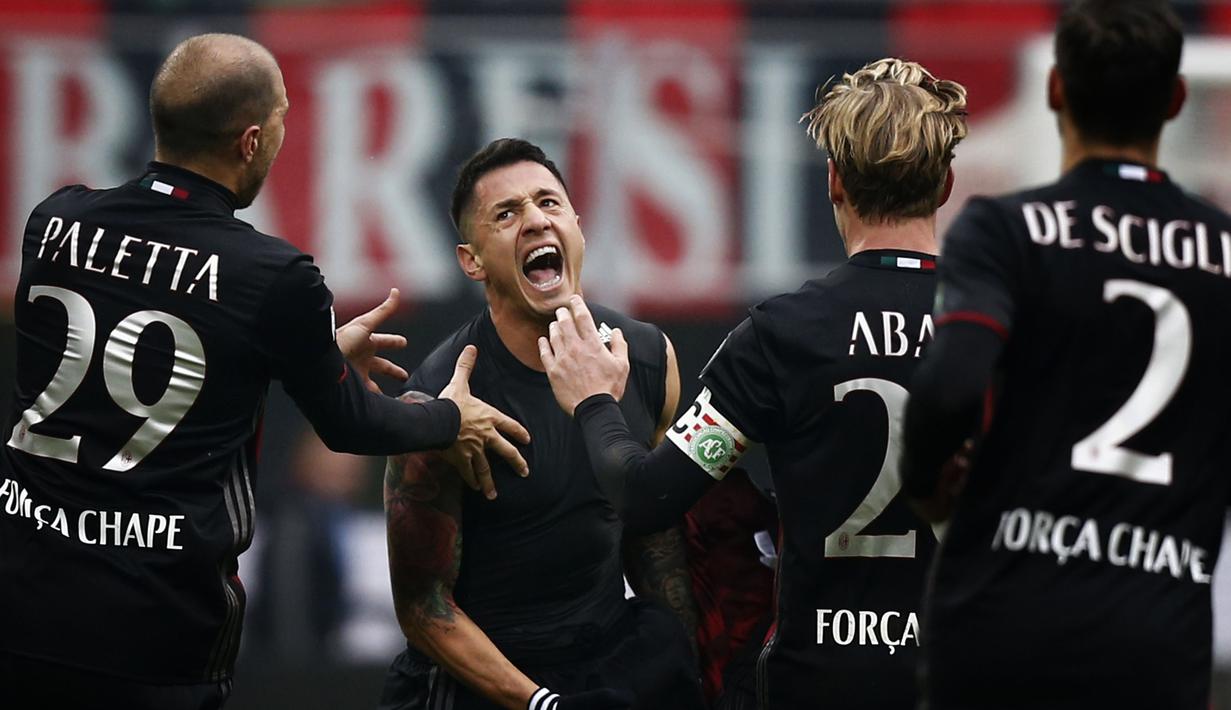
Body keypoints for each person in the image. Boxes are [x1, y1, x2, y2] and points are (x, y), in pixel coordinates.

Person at [0, 33, 529, 710]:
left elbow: (151, 336)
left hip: (23, 614)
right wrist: (452, 415)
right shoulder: (271, 276)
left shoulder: (53, 221)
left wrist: (314, 351)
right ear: (250, 141)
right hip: (154, 636)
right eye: (279, 122)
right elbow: (352, 424)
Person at [537, 58, 968, 709]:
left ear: (832, 182)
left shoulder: (783, 336)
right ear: (944, 185)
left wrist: (595, 400)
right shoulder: (1002, 331)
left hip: (820, 682)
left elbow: (649, 496)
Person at [900, 2, 1230, 708]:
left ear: (1053, 88)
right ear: (1175, 99)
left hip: (1000, 623)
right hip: (1156, 639)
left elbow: (951, 380)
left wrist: (927, 481)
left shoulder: (1004, 229)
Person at [378, 138, 705, 710]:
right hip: (488, 683)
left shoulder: (649, 358)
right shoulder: (441, 399)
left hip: (606, 665)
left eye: (549, 204)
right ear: (471, 260)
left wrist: (693, 674)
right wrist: (539, 704)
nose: (534, 220)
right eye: (506, 214)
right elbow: (423, 609)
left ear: (578, 226)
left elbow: (654, 540)